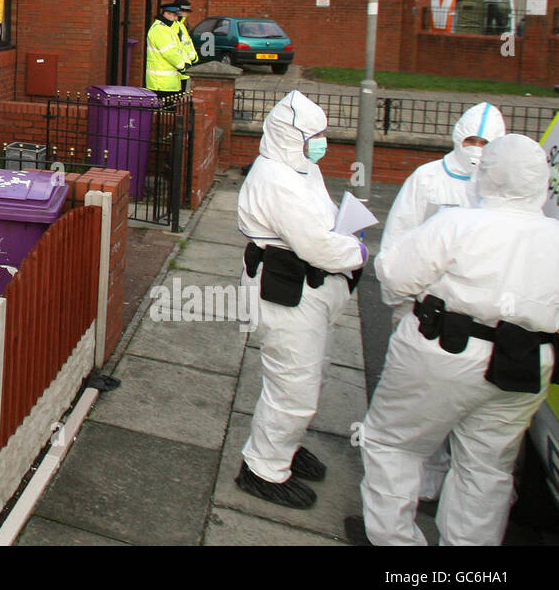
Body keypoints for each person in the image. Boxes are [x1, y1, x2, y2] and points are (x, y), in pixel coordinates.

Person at [354, 134, 559, 546]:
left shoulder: (457, 224)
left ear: (486, 175)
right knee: (487, 466)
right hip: (523, 363)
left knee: (395, 444)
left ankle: (395, 542)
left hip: (444, 350)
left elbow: (395, 274)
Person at [236, 90, 367, 509]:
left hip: (309, 291)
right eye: (314, 134)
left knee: (309, 376)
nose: (321, 142)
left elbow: (326, 219)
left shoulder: (303, 169)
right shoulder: (274, 179)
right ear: (290, 136)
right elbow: (317, 245)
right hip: (287, 291)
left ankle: (285, 447)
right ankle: (263, 469)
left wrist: (344, 236)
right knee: (292, 384)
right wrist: (358, 250)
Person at [378, 102, 506, 502]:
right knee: (417, 414)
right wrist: (399, 300)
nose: (477, 149)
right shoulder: (428, 179)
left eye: (487, 143)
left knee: (460, 418)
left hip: (480, 321)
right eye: (471, 139)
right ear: (457, 136)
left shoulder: (502, 192)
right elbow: (400, 235)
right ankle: (418, 490)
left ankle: (439, 489)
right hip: (426, 311)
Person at [145, 3, 188, 100]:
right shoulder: (160, 29)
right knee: (165, 112)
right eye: (175, 15)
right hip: (161, 82)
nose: (177, 19)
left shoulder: (165, 28)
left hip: (166, 82)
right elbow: (169, 52)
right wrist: (183, 66)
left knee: (167, 112)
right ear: (167, 13)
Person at [171, 0, 200, 92]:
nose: (187, 14)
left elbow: (187, 43)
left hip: (185, 68)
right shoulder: (174, 25)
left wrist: (194, 57)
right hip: (179, 68)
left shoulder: (181, 25)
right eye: (185, 11)